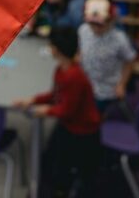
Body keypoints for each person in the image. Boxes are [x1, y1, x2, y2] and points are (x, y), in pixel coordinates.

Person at [13, 29, 100, 198]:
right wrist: (33, 100)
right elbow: (56, 95)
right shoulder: (62, 70)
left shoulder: (74, 77)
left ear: (55, 50)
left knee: (75, 173)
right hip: (71, 126)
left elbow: (67, 109)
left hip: (83, 132)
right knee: (59, 164)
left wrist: (46, 110)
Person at [78, 0, 136, 113]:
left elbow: (129, 61)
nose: (95, 29)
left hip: (108, 91)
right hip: (86, 86)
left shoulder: (120, 39)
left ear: (111, 20)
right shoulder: (83, 30)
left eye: (100, 25)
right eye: (92, 24)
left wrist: (122, 84)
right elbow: (80, 51)